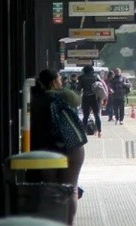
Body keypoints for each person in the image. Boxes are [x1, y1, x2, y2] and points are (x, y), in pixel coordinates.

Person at [30, 68, 86, 225]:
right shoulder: (64, 95)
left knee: (51, 190)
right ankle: (69, 223)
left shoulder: (35, 99)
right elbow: (77, 100)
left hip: (45, 149)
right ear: (55, 81)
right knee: (70, 188)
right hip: (72, 145)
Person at [77, 65, 103, 137]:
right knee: (96, 115)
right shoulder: (96, 77)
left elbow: (79, 88)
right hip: (94, 98)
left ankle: (83, 133)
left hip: (85, 98)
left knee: (85, 116)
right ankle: (99, 132)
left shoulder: (81, 78)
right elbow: (100, 86)